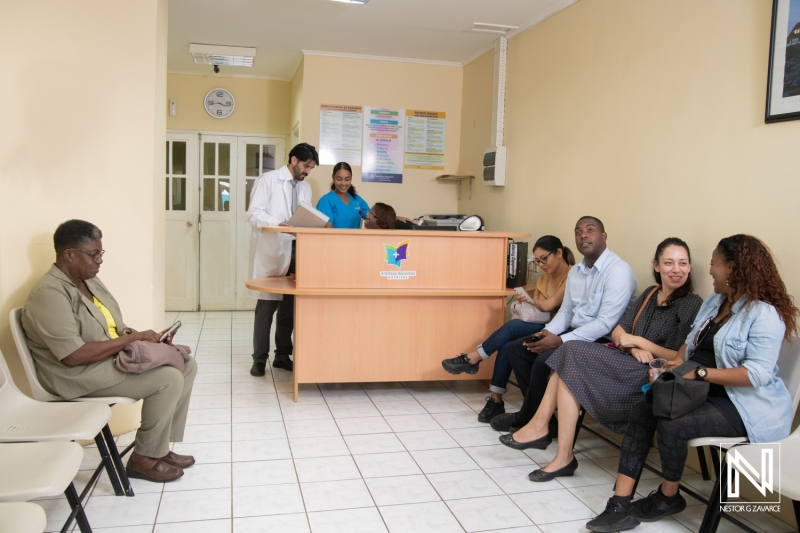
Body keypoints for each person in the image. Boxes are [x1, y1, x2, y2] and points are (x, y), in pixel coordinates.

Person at [587, 235, 798, 532]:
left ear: (734, 269)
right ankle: (619, 504)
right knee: (645, 407)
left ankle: (667, 498)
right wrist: (672, 368)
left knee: (672, 424)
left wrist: (698, 374)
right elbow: (690, 344)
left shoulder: (763, 313)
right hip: (703, 389)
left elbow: (756, 375)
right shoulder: (716, 301)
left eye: (715, 264)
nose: (710, 270)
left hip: (744, 404)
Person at [500, 238, 702, 483]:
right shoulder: (650, 294)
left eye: (682, 263)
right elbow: (618, 331)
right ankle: (559, 451)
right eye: (669, 263)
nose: (676, 269)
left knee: (569, 352)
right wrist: (631, 346)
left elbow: (677, 356)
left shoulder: (692, 304)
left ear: (689, 267)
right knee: (569, 353)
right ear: (657, 266)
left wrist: (640, 344)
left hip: (649, 374)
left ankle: (542, 429)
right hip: (626, 358)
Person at [21, 220, 197, 483]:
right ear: (69, 254)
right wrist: (134, 339)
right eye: (93, 254)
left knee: (186, 364)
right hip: (76, 375)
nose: (99, 260)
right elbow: (73, 356)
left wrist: (148, 341)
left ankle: (158, 449)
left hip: (106, 360)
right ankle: (143, 459)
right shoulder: (50, 293)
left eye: (100, 253)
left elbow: (113, 327)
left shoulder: (90, 281)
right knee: (168, 378)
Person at [490, 216, 638, 433]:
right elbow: (567, 311)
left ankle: (529, 418)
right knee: (517, 349)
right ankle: (544, 420)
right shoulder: (577, 271)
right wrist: (547, 333)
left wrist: (559, 340)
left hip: (603, 340)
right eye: (578, 232)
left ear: (603, 236)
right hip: (573, 332)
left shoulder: (618, 271)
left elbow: (605, 323)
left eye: (590, 230)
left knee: (543, 361)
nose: (583, 235)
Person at [441, 236, 575, 423]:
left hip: (560, 329)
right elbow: (540, 310)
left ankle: (473, 358)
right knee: (506, 345)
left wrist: (531, 301)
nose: (541, 264)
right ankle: (495, 400)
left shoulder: (573, 276)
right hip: (544, 323)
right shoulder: (544, 280)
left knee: (512, 327)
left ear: (559, 253)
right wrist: (528, 303)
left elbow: (549, 305)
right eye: (537, 261)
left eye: (544, 258)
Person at [246, 143, 319, 376]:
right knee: (266, 308)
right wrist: (279, 224)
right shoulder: (268, 180)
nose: (308, 171)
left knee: (289, 309)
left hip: (297, 251)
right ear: (294, 160)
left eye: (312, 168)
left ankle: (282, 356)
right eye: (306, 166)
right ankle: (259, 360)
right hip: (273, 252)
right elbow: (254, 213)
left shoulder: (305, 187)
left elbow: (304, 214)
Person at [317, 162, 371, 229]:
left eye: (347, 179)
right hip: (335, 239)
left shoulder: (356, 199)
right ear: (333, 178)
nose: (343, 183)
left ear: (351, 178)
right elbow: (328, 230)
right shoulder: (326, 201)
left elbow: (372, 218)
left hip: (356, 239)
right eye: (339, 179)